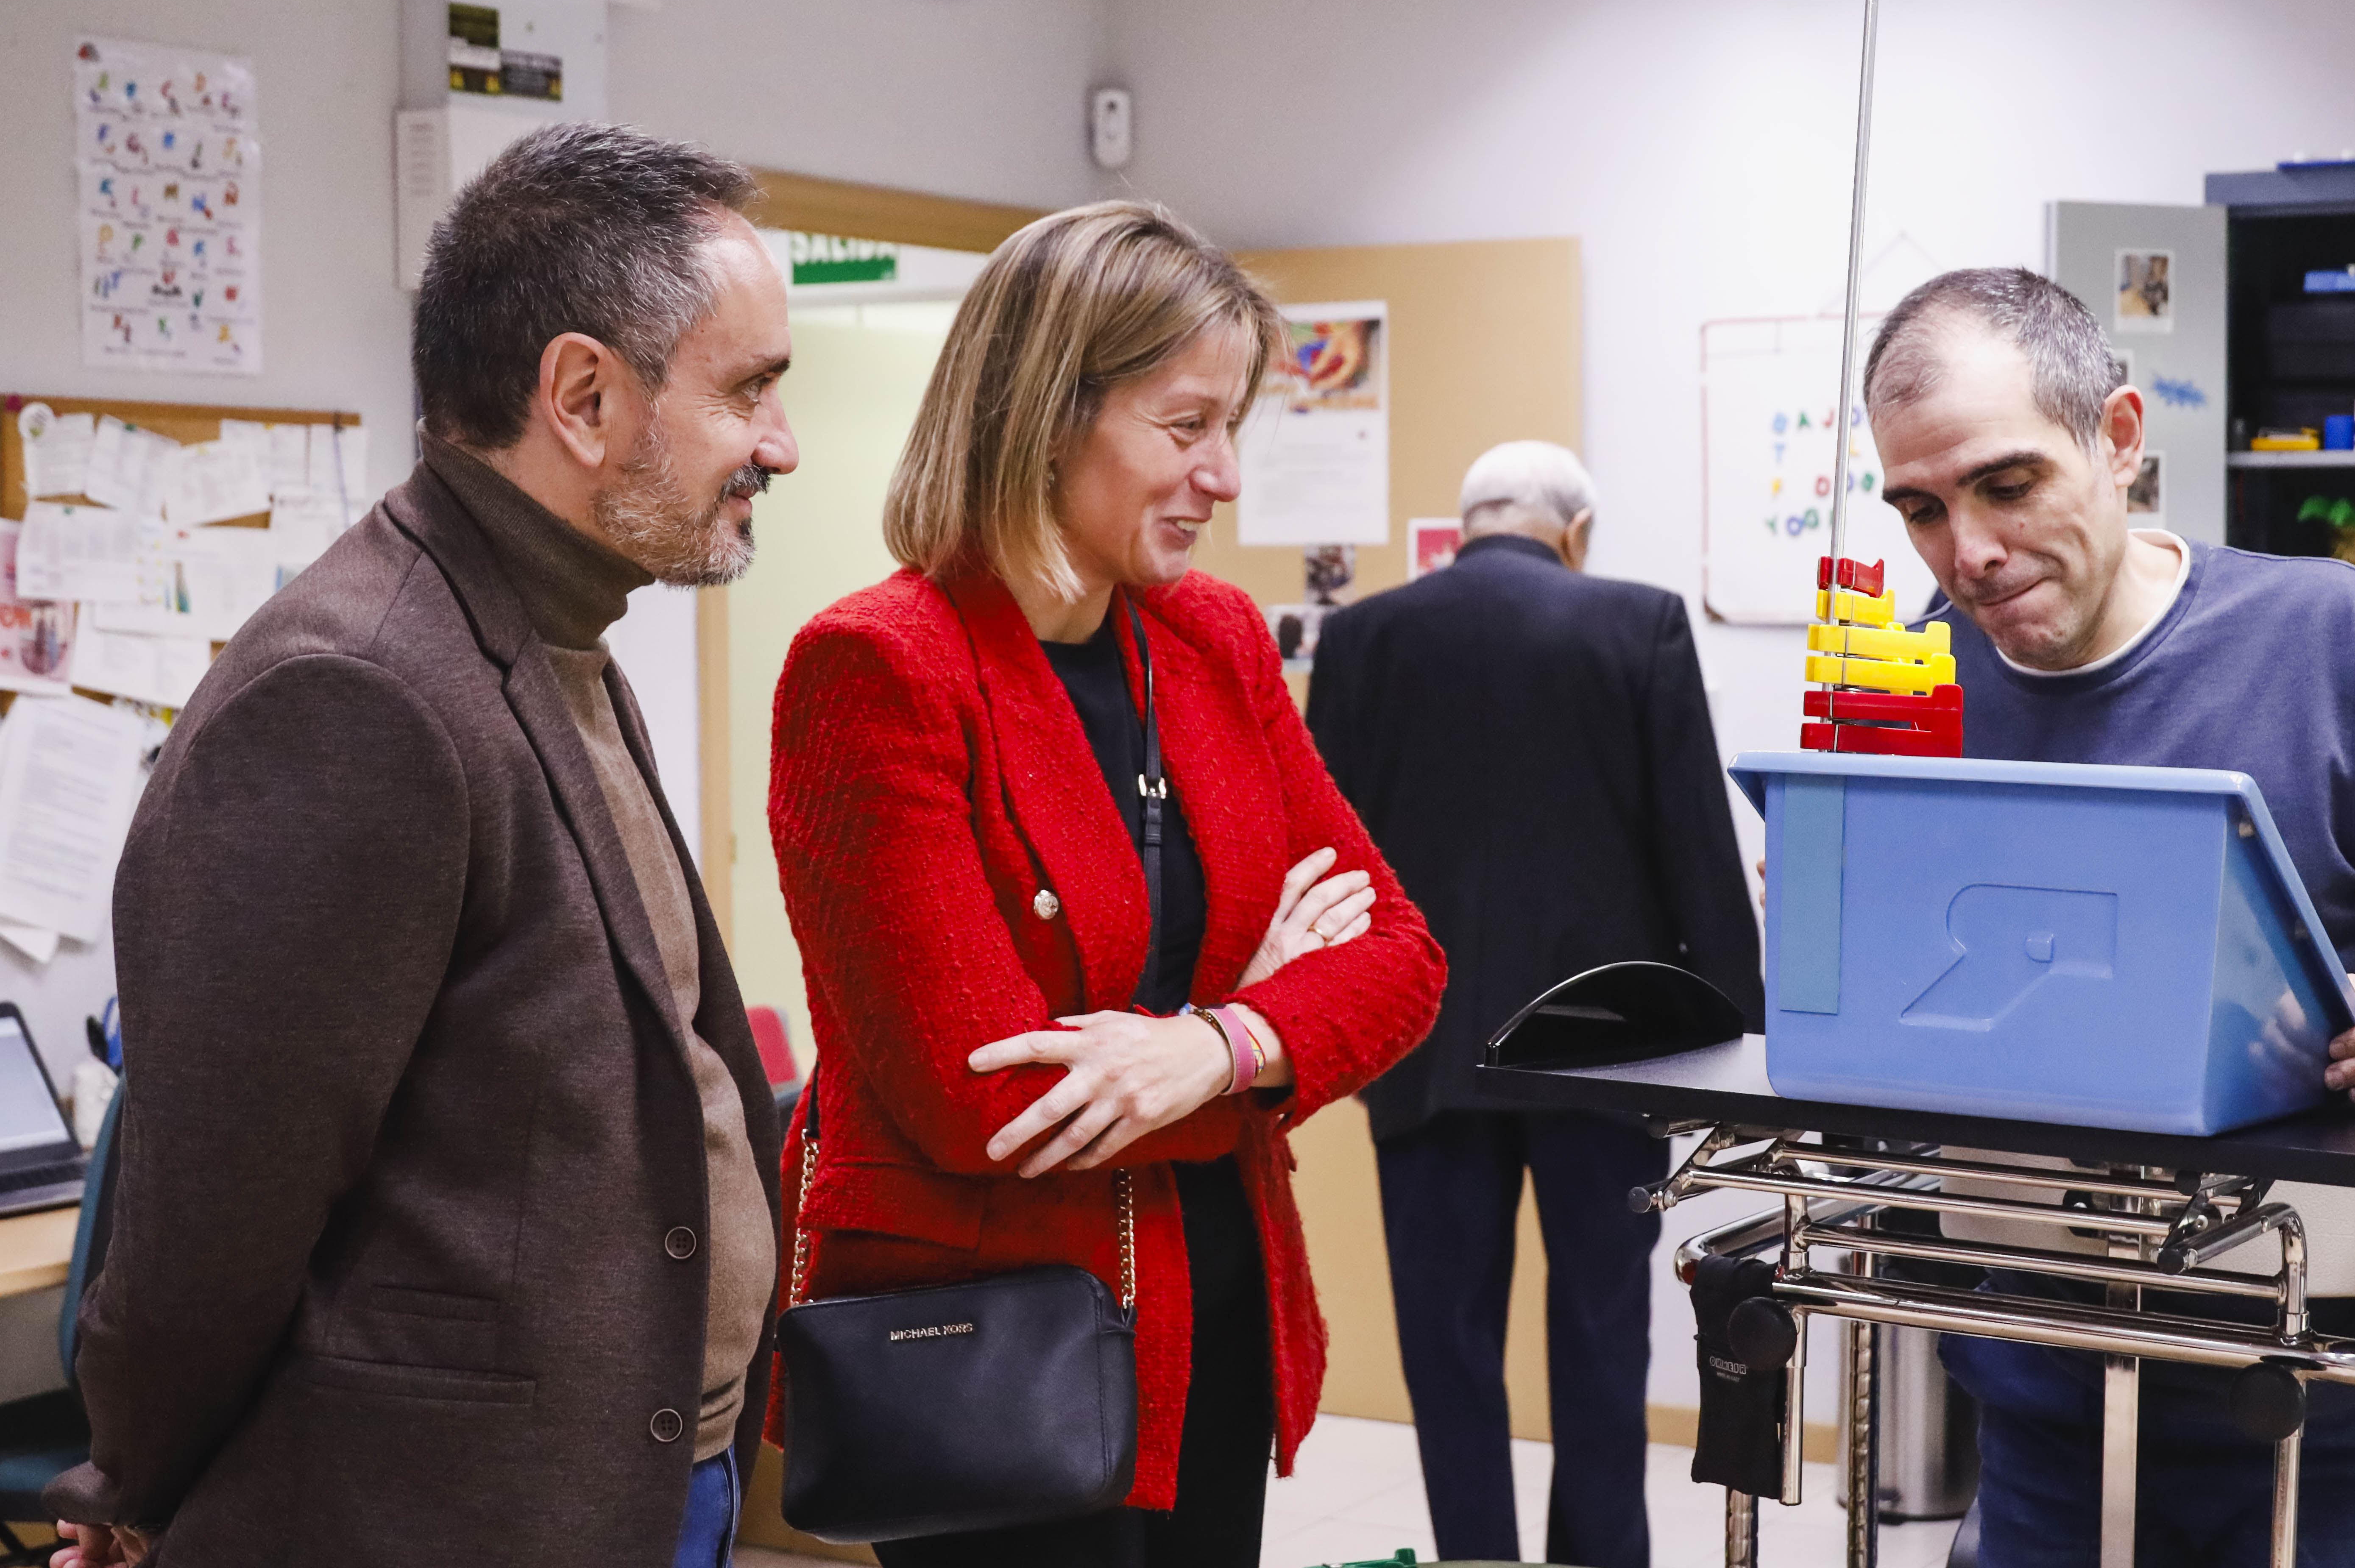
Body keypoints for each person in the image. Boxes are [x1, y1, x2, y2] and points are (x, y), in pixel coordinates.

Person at [45, 123, 795, 1568]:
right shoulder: (362, 689)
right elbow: (214, 1212)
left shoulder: (556, 640)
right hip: (448, 1519)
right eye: (747, 389)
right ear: (584, 397)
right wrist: (131, 1487)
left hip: (633, 1479)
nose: (780, 442)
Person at [1856, 267, 2355, 1568]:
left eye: (2006, 485)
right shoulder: (1925, 678)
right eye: (1922, 508)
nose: (1966, 553)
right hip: (2048, 1384)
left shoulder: (2325, 637)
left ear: (2120, 438)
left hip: (2338, 1399)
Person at [765, 200, 1446, 1568]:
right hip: (989, 1347)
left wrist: (1215, 1043)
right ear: (1042, 415)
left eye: (1231, 427)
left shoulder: (1212, 641)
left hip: (1215, 1312)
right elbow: (990, 1105)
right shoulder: (882, 669)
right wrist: (1262, 1026)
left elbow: (1401, 959)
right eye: (1186, 427)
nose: (1225, 476)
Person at [1306, 441, 1764, 1568]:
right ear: (1577, 531)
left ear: (1468, 522)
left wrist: (1329, 1032)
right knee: (1603, 1337)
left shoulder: (1364, 638)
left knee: (1447, 1344)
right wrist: (1741, 1033)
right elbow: (1694, 848)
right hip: (1601, 1058)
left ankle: (1476, 1560)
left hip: (1419, 1049)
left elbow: (1325, 851)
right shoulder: (1638, 623)